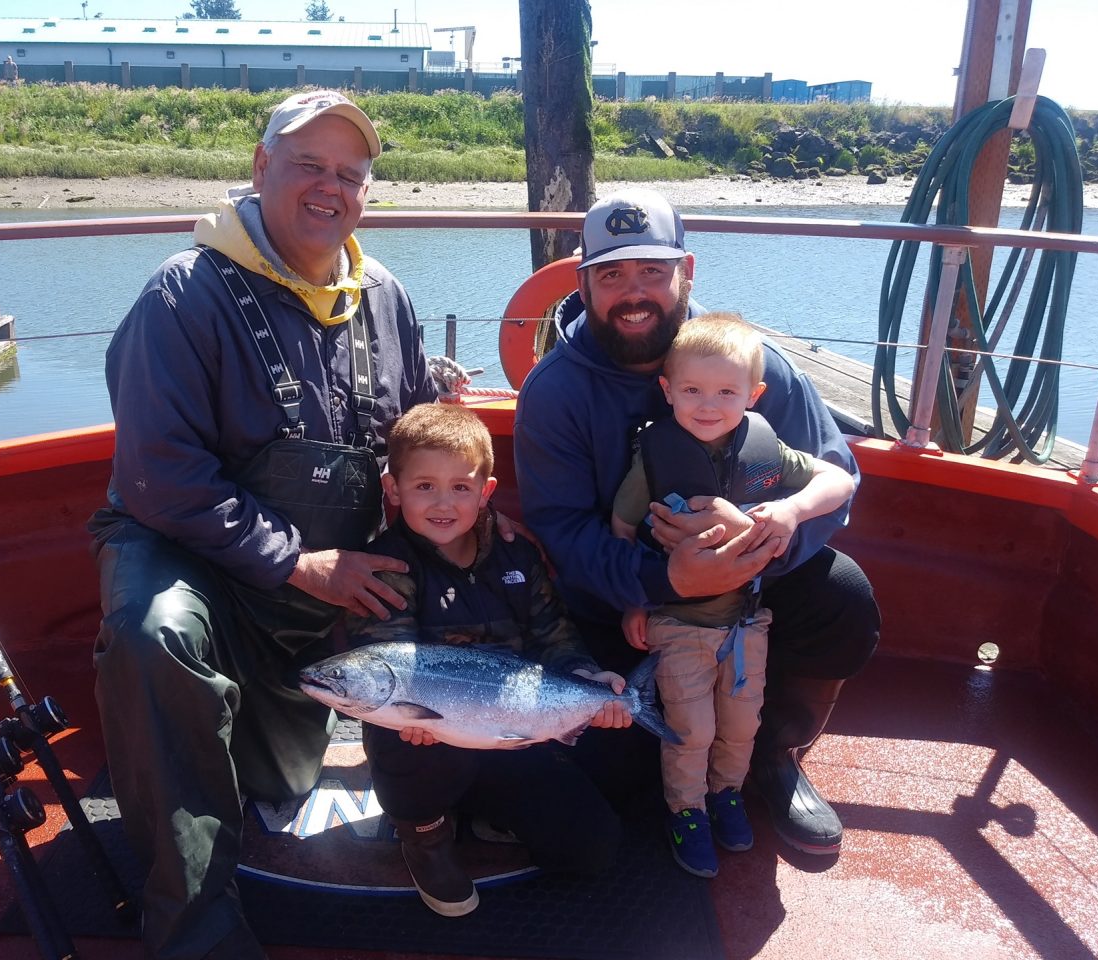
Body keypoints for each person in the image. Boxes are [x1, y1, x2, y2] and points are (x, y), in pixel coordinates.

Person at [89, 90, 441, 960]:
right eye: (309, 166)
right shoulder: (181, 293)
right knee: (152, 634)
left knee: (455, 615)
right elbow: (162, 476)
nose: (332, 188)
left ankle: (441, 814)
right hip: (189, 554)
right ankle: (193, 923)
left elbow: (403, 441)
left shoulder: (388, 296)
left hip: (313, 575)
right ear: (259, 169)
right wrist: (296, 563)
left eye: (350, 175)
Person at [514, 187, 881, 858]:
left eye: (652, 271)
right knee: (616, 781)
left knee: (842, 597)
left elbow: (836, 475)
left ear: (687, 271)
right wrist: (661, 581)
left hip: (751, 591)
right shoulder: (555, 391)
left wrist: (760, 541)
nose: (634, 292)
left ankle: (771, 756)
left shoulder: (754, 363)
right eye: (612, 273)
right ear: (583, 281)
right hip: (623, 604)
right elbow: (562, 530)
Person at [349, 403, 629, 916]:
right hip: (425, 745)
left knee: (592, 848)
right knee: (408, 731)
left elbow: (555, 636)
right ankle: (425, 834)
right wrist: (410, 714)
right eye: (424, 486)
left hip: (509, 730)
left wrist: (587, 677)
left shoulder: (517, 555)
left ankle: (481, 812)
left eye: (461, 487)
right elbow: (382, 653)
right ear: (393, 489)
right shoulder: (387, 564)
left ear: (487, 492)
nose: (443, 502)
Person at [610, 312, 855, 878]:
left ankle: (728, 794)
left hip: (747, 626)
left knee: (741, 725)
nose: (707, 404)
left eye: (726, 391)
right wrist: (635, 599)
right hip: (679, 627)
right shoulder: (653, 457)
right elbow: (622, 531)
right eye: (692, 390)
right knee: (691, 729)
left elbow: (838, 480)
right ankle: (686, 810)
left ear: (755, 395)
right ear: (667, 391)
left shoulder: (768, 451)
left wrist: (791, 509)